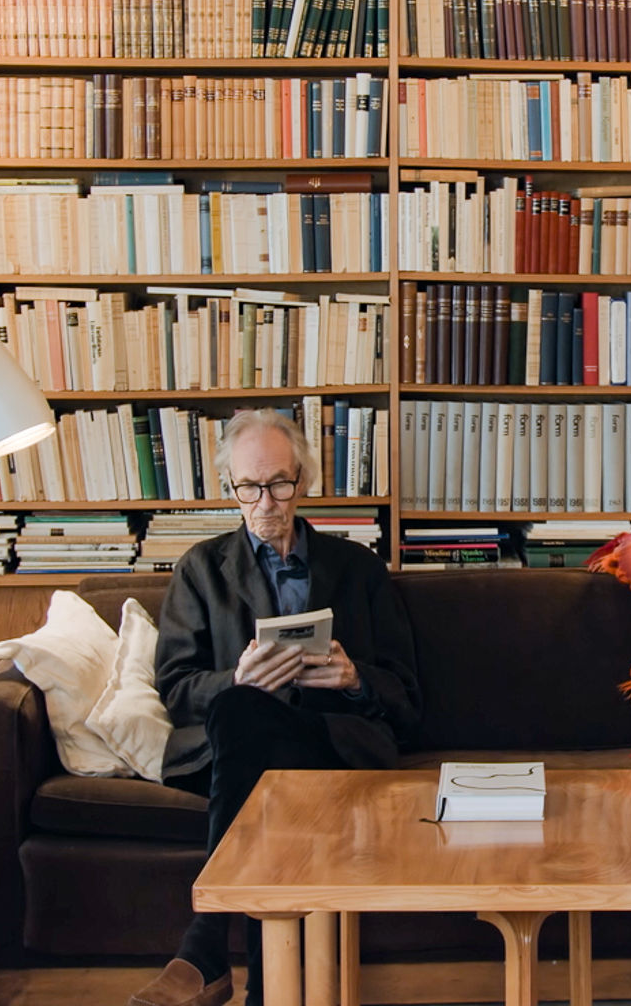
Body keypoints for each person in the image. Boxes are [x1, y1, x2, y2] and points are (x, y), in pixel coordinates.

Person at [129, 410, 421, 1006]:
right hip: (237, 743)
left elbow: (406, 694)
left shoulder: (358, 569)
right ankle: (267, 989)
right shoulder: (199, 570)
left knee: (257, 740)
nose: (266, 503)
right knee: (244, 713)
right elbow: (176, 687)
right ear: (230, 488)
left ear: (303, 481)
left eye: (280, 484)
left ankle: (207, 948)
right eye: (250, 487)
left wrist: (354, 679)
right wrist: (235, 679)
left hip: (331, 739)